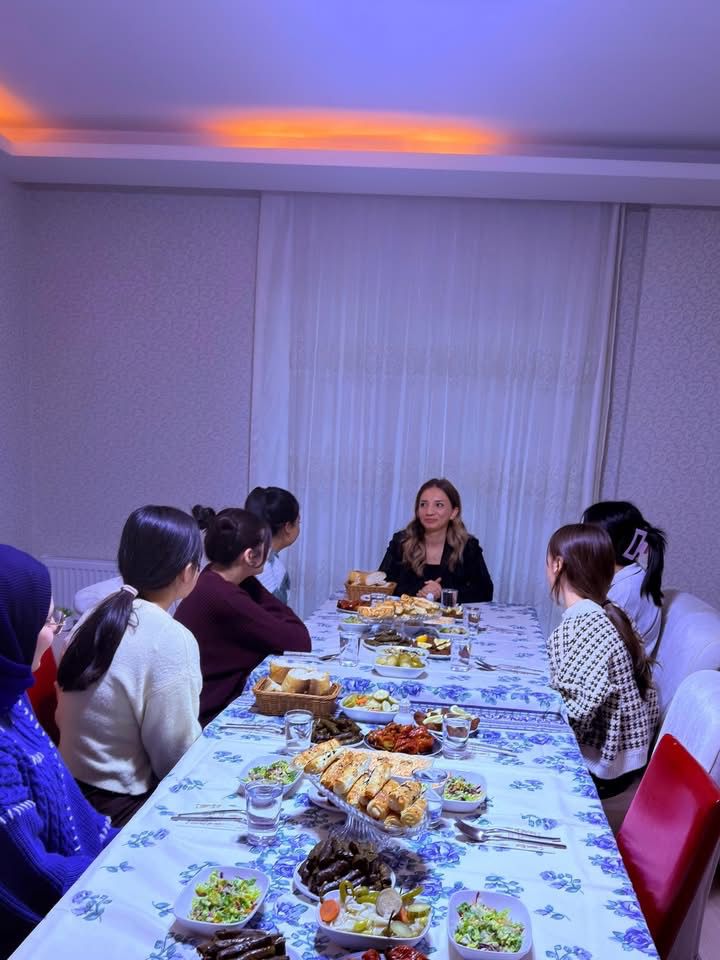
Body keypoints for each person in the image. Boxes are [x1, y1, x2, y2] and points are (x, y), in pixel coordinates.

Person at [0, 545, 116, 956]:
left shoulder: (12, 695)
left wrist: (122, 846)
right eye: (47, 620)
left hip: (76, 878)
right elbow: (37, 879)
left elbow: (68, 803)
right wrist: (120, 872)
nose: (54, 631)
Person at [56, 506, 203, 827]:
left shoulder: (97, 613)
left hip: (68, 790)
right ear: (187, 572)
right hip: (118, 807)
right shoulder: (171, 638)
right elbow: (176, 758)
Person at [546, 523, 658, 798]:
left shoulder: (585, 623)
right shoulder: (609, 610)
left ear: (558, 565)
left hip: (603, 768)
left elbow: (577, 711)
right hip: (624, 757)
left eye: (548, 562)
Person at [175, 506, 312, 725]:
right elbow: (299, 641)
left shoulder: (214, 577)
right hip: (208, 714)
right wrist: (252, 583)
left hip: (200, 704)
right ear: (250, 556)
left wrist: (249, 580)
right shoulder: (225, 597)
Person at [379, 478, 493, 603]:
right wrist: (420, 591)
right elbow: (381, 585)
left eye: (439, 505)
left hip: (450, 615)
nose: (429, 512)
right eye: (423, 504)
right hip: (407, 614)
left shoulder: (468, 546)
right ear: (417, 511)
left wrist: (443, 593)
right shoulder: (401, 541)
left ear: (453, 512)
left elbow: (485, 592)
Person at [582, 500, 667, 659]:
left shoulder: (625, 592)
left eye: (585, 536)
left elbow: (594, 647)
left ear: (602, 545)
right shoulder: (629, 578)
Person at [244, 486, 300, 605]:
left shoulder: (247, 555)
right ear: (288, 527)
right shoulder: (271, 567)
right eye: (298, 522)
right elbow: (275, 612)